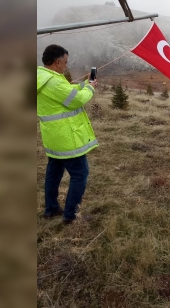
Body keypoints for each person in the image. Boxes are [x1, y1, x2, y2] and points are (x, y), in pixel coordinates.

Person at [37, 45, 99, 225]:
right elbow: (77, 99)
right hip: (67, 137)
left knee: (54, 173)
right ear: (57, 62)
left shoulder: (41, 77)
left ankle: (51, 209)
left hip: (53, 137)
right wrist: (91, 89)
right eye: (65, 62)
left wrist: (85, 84)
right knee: (80, 173)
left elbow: (67, 94)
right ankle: (71, 215)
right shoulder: (53, 82)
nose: (66, 65)